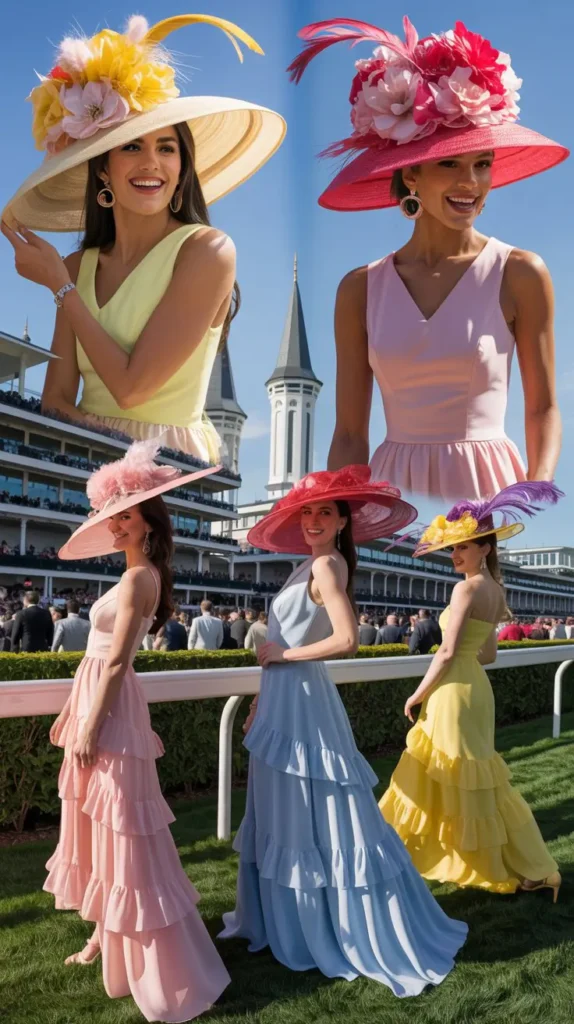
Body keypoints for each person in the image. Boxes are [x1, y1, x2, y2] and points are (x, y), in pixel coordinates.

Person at [289, 16, 568, 500]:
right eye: (451, 164)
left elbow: (542, 407)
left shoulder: (521, 272)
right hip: (393, 489)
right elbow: (350, 434)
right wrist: (342, 520)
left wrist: (534, 492)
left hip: (492, 493)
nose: (472, 183)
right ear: (411, 173)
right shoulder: (359, 289)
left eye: (483, 164)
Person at [220, 466, 468, 995]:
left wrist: (284, 656)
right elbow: (287, 638)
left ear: (341, 522)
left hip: (304, 703)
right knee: (289, 812)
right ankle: (284, 921)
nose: (312, 520)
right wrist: (264, 695)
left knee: (313, 814)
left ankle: (322, 927)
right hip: (284, 701)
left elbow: (347, 639)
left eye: (323, 512)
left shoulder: (328, 565)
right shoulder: (308, 564)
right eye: (306, 511)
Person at [2, 12, 285, 461]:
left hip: (171, 472)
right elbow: (55, 400)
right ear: (104, 169)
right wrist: (109, 448)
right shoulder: (77, 267)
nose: (151, 162)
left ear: (181, 169)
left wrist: (60, 286)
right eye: (132, 146)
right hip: (91, 462)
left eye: (166, 148)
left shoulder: (208, 251)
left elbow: (132, 389)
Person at [45, 440, 229, 1021]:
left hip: (110, 706)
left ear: (150, 523)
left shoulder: (137, 579)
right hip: (100, 700)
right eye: (114, 514)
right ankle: (106, 939)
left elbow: (119, 661)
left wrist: (89, 727)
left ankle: (154, 961)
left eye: (128, 514)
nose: (118, 523)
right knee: (104, 826)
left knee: (123, 829)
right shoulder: (135, 576)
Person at [380, 482, 563, 898]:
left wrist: (418, 694)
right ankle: (535, 868)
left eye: (463, 546)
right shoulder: (497, 591)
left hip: (453, 693)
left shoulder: (465, 589)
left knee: (448, 772)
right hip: (475, 690)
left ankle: (454, 857)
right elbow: (489, 656)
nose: (456, 555)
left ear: (485, 547)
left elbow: (445, 653)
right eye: (453, 548)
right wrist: (459, 659)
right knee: (483, 782)